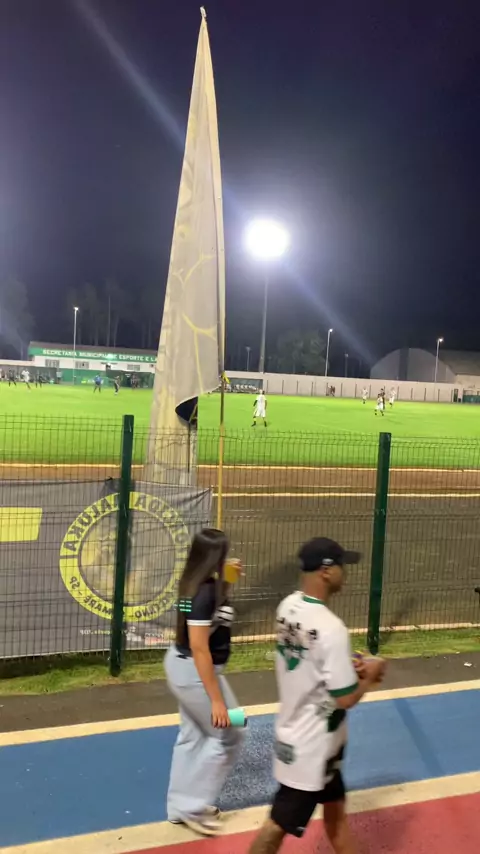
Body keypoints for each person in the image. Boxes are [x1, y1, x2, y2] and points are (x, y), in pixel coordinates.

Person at [248, 537, 386, 854]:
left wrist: (347, 666)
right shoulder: (331, 628)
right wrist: (371, 675)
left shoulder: (288, 607)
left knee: (336, 817)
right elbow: (346, 699)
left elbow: (312, 659)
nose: (345, 572)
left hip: (306, 735)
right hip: (312, 745)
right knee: (276, 827)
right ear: (326, 571)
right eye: (341, 566)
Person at [165, 529, 244, 836]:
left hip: (184, 667)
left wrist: (227, 581)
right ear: (215, 557)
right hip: (196, 672)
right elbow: (200, 648)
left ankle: (179, 806)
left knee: (193, 735)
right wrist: (217, 701)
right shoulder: (204, 593)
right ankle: (193, 807)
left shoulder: (193, 583)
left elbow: (210, 620)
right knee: (231, 731)